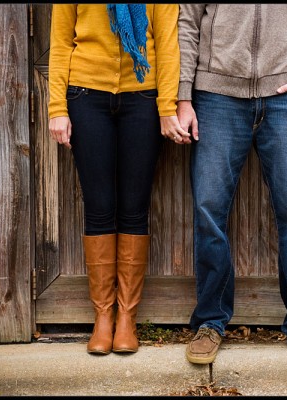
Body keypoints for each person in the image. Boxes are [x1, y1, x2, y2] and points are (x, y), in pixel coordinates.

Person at [176, 4, 287, 363]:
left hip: (284, 97)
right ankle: (211, 321)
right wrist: (184, 94)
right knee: (209, 210)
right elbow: (187, 21)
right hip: (215, 96)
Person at [48, 4, 189, 355]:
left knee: (134, 207)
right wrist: (57, 108)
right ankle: (103, 317)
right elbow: (61, 41)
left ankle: (126, 317)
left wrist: (167, 106)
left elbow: (169, 44)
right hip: (85, 95)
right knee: (98, 208)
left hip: (142, 96)